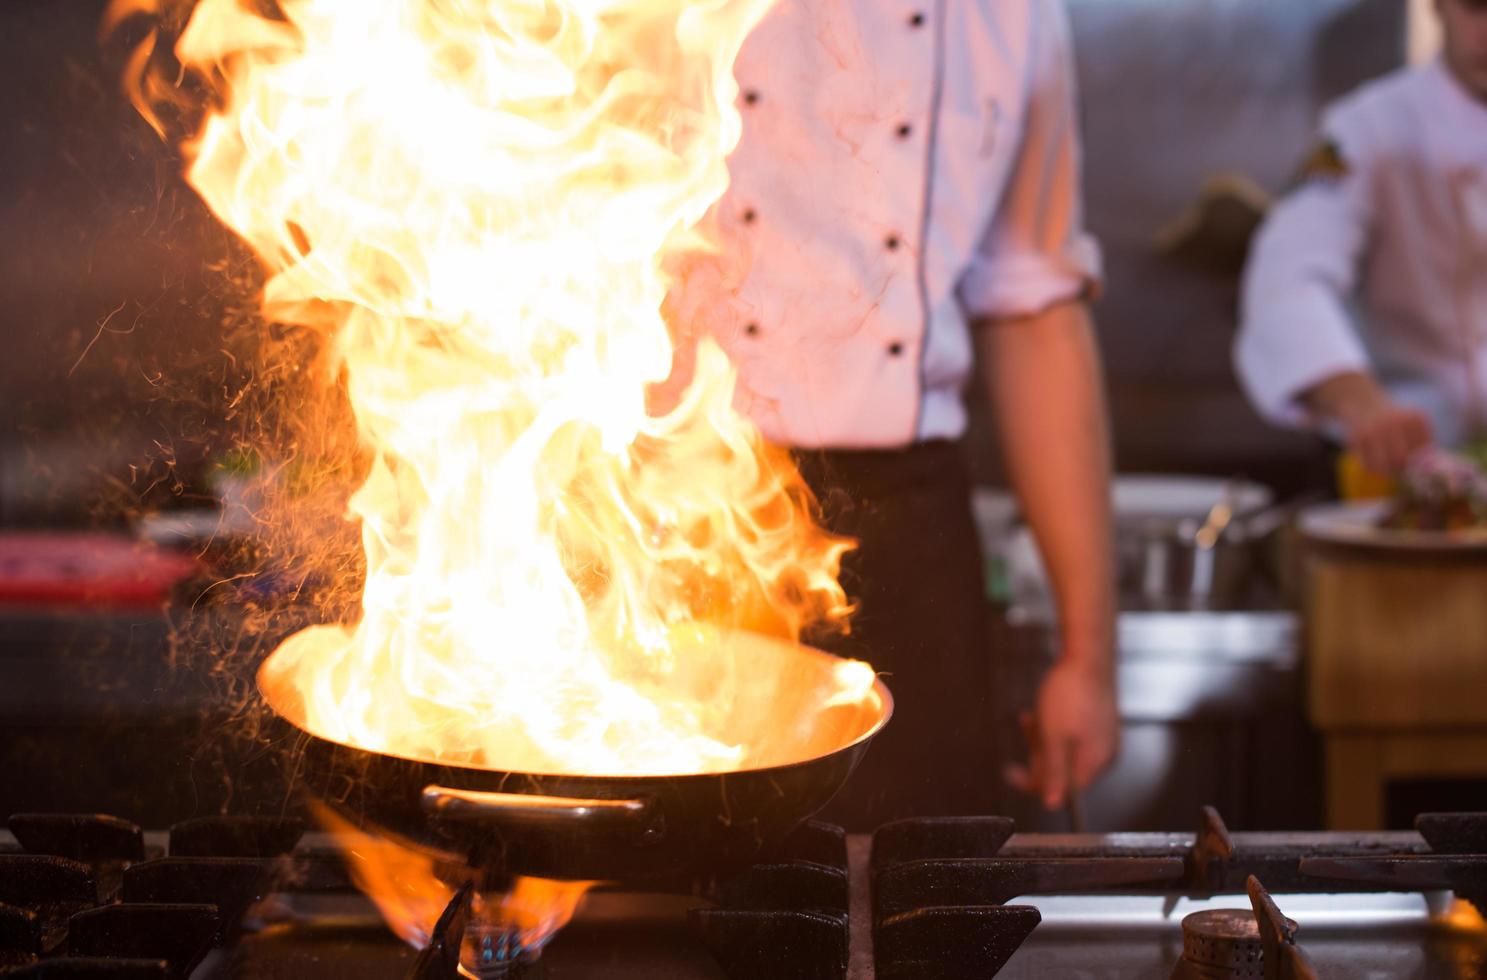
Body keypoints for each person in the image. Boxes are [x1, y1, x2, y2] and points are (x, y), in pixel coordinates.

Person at [670, 0, 1117, 826]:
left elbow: (1035, 307)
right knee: (644, 917)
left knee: (916, 897)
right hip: (665, 517)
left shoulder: (1011, 18)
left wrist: (1088, 657)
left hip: (906, 545)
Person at [1235, 0, 1487, 475]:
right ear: (1437, 6)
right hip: (1396, 466)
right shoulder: (1366, 128)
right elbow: (1288, 278)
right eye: (1477, 8)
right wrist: (1362, 404)